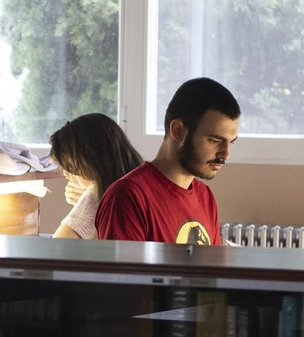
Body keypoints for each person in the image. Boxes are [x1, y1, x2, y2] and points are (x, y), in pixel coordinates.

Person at [94, 78, 240, 245]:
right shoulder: (129, 196)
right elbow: (124, 263)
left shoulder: (205, 197)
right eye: (215, 140)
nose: (226, 154)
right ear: (178, 131)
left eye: (231, 142)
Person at [49, 113, 143, 240]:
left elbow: (59, 244)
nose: (72, 179)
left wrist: (84, 205)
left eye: (71, 172)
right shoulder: (142, 179)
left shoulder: (95, 195)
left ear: (87, 164)